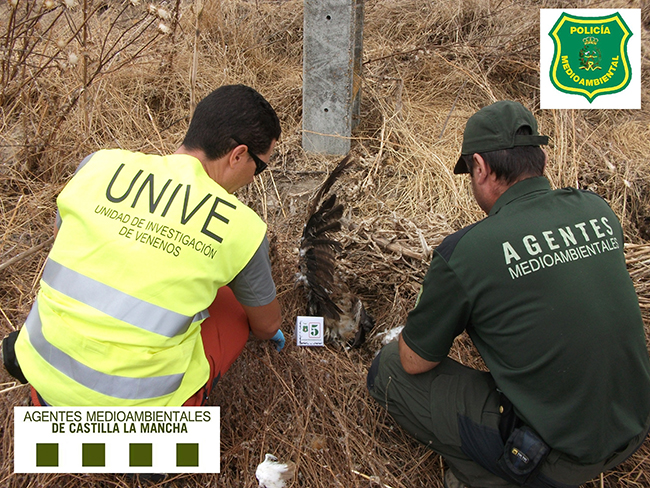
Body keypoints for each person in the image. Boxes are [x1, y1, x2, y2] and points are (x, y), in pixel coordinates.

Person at [367, 101, 650, 488]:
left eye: (470, 173)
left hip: (562, 458)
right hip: (633, 427)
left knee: (389, 369)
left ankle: (484, 476)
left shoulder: (465, 252)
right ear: (542, 157)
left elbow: (415, 361)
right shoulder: (597, 210)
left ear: (480, 168)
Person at [2, 84, 286, 407]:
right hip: (138, 417)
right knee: (233, 306)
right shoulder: (240, 226)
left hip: (44, 377)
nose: (254, 179)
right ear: (238, 155)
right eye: (259, 167)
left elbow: (63, 239)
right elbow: (267, 325)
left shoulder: (97, 165)